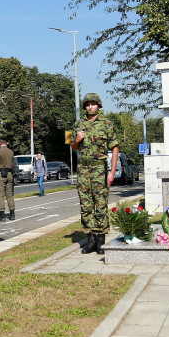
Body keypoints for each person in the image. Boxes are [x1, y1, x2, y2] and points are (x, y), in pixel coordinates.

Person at [71, 93, 119, 255]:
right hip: (83, 170)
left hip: (99, 169)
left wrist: (111, 173)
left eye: (93, 104)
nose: (90, 107)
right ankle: (90, 239)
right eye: (87, 104)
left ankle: (101, 240)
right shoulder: (79, 124)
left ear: (98, 105)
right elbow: (73, 147)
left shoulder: (106, 124)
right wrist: (77, 139)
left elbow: (115, 148)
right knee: (86, 205)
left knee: (100, 204)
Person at [0, 136, 15, 222]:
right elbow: (12, 164)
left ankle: (1, 215)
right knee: (9, 195)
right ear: (7, 143)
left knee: (0, 194)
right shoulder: (11, 152)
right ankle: (12, 214)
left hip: (1, 175)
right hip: (9, 174)